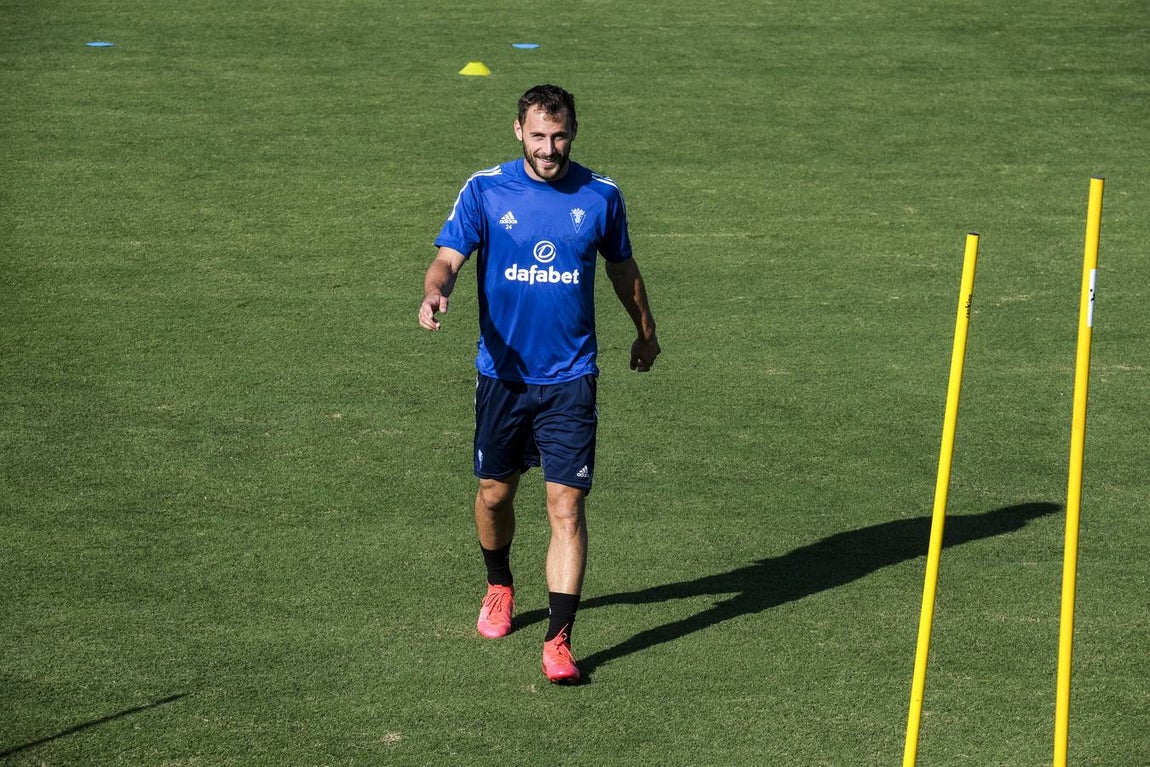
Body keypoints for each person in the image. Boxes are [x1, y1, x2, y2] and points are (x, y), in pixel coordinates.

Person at [418, 84, 660, 684]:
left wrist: (646, 331)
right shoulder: (484, 189)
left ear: (572, 131)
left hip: (571, 379)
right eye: (538, 136)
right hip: (502, 377)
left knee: (566, 506)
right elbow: (448, 257)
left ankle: (559, 639)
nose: (549, 149)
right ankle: (499, 584)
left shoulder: (601, 195)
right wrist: (435, 290)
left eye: (559, 136)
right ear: (518, 132)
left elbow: (622, 267)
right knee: (495, 495)